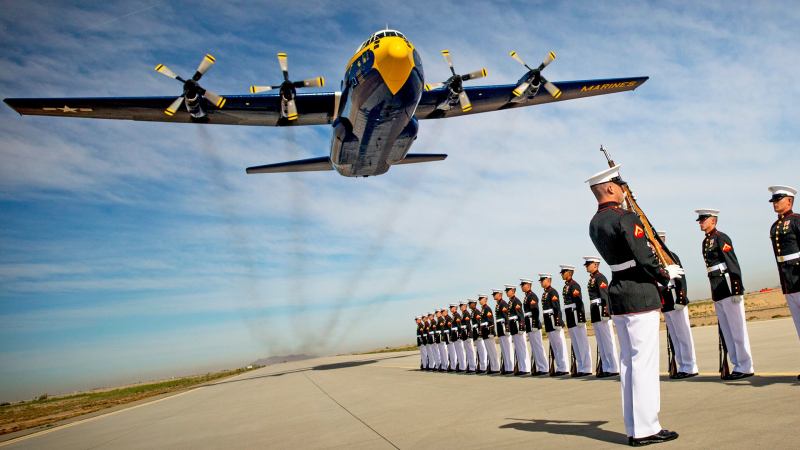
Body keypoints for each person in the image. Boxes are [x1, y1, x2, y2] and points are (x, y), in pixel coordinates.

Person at [587, 164, 681, 446]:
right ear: (613, 188)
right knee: (644, 364)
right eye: (621, 187)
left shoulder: (595, 222)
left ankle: (635, 426)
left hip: (619, 294)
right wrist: (665, 273)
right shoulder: (625, 218)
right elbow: (643, 255)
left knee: (629, 364)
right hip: (639, 293)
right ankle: (647, 428)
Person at [696, 208, 754, 379]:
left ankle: (746, 365)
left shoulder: (721, 238)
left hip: (728, 287)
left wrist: (737, 288)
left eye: (703, 219)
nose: (700, 222)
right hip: (718, 289)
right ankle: (737, 365)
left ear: (713, 221)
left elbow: (732, 263)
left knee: (737, 329)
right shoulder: (706, 242)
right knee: (727, 331)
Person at [767, 185, 800, 380]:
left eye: (778, 199)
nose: (775, 203)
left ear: (789, 200)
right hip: (789, 282)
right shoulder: (775, 226)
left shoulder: (796, 221)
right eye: (774, 200)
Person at [656, 231, 698, 379]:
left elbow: (681, 279)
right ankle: (682, 366)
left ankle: (690, 366)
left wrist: (681, 298)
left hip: (675, 298)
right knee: (674, 335)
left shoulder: (671, 256)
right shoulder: (654, 259)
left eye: (658, 240)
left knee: (683, 334)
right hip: (665, 301)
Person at [583, 256, 620, 377]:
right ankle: (606, 367)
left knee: (607, 341)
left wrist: (606, 312)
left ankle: (613, 367)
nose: (586, 266)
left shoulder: (600, 277)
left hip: (601, 310)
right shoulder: (592, 279)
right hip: (595, 311)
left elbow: (605, 296)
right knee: (601, 342)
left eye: (588, 264)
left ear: (596, 265)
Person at [560, 264, 593, 377]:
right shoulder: (566, 286)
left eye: (563, 272)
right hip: (569, 315)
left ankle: (587, 368)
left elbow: (579, 302)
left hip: (575, 314)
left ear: (569, 273)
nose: (562, 274)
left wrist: (580, 318)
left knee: (582, 342)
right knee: (575, 342)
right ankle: (580, 367)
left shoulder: (574, 285)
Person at [539, 273, 569, 376]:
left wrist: (557, 321)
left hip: (554, 320)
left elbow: (556, 308)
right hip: (548, 321)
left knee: (560, 345)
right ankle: (559, 367)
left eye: (543, 280)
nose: (541, 282)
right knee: (555, 347)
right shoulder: (545, 293)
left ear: (548, 280)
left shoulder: (553, 292)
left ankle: (564, 367)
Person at [521, 277, 549, 376]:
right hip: (529, 323)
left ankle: (544, 367)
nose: (521, 286)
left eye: (523, 285)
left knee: (538, 346)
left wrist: (534, 324)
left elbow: (535, 312)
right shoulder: (527, 296)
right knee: (534, 347)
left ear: (528, 285)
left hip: (533, 324)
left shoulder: (532, 296)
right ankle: (539, 367)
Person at [506, 284, 531, 375]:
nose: (506, 292)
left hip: (517, 327)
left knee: (522, 348)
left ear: (513, 291)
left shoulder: (516, 301)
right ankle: (522, 368)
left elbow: (520, 315)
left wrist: (521, 327)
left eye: (508, 291)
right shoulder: (510, 302)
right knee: (518, 348)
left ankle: (526, 368)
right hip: (513, 327)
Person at [493, 288, 515, 374]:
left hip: (504, 328)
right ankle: (507, 367)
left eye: (495, 294)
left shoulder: (503, 304)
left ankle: (511, 367)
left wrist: (507, 328)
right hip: (500, 329)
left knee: (508, 348)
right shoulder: (498, 304)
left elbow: (507, 317)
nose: (494, 296)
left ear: (500, 295)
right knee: (504, 349)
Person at [478, 294, 500, 374]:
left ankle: (496, 368)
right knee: (489, 351)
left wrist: (491, 332)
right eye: (479, 299)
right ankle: (493, 367)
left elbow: (490, 321)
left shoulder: (487, 309)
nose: (480, 300)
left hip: (488, 332)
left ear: (485, 299)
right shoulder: (483, 309)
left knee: (492, 350)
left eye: (481, 299)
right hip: (485, 332)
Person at [460, 301, 476, 373]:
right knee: (468, 351)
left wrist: (469, 334)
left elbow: (468, 324)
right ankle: (470, 366)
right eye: (460, 306)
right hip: (464, 334)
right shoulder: (463, 314)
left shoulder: (466, 313)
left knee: (471, 351)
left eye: (462, 306)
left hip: (467, 334)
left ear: (465, 306)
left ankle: (473, 367)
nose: (461, 307)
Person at [445, 304, 459, 372]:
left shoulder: (455, 316)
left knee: (457, 352)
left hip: (456, 336)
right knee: (453, 353)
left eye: (451, 307)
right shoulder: (453, 317)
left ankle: (459, 366)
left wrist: (459, 335)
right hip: (452, 336)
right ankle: (454, 366)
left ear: (455, 308)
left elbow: (458, 326)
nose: (451, 309)